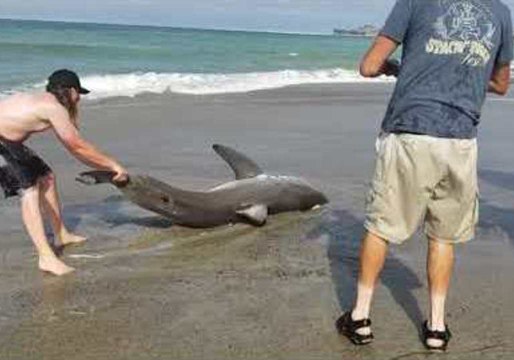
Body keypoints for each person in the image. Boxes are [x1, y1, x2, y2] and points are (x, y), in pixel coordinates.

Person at [336, 0, 512, 352]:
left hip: (410, 132)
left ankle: (360, 317)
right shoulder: (501, 12)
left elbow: (369, 66)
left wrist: (400, 69)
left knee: (381, 226)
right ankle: (435, 327)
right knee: (443, 236)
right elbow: (501, 83)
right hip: (460, 140)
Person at [0, 69, 128, 276]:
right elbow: (76, 146)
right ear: (69, 91)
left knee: (46, 177)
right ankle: (46, 258)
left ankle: (60, 234)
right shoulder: (53, 108)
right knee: (29, 191)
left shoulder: (43, 101)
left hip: (8, 141)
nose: (79, 99)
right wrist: (113, 166)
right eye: (78, 93)